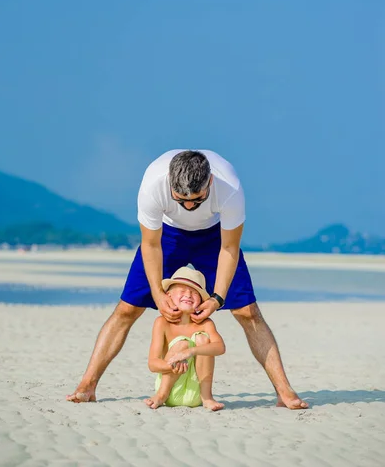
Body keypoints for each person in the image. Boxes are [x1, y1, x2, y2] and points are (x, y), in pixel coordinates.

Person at [67, 149, 308, 410]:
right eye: (182, 200)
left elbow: (229, 249)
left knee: (248, 312)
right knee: (127, 309)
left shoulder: (230, 189)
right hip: (167, 236)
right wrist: (159, 295)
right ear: (170, 184)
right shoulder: (153, 184)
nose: (190, 206)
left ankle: (284, 392)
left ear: (210, 183)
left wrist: (217, 298)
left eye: (197, 199)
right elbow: (150, 245)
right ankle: (87, 386)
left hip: (213, 236)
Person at [145, 266, 225, 411]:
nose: (188, 295)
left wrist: (190, 352)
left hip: (195, 394)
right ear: (168, 295)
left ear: (201, 301)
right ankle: (161, 395)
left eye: (194, 293)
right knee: (182, 342)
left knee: (202, 339)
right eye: (182, 291)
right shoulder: (162, 323)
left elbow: (220, 347)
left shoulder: (205, 324)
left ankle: (207, 398)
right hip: (170, 391)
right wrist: (172, 365)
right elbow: (152, 364)